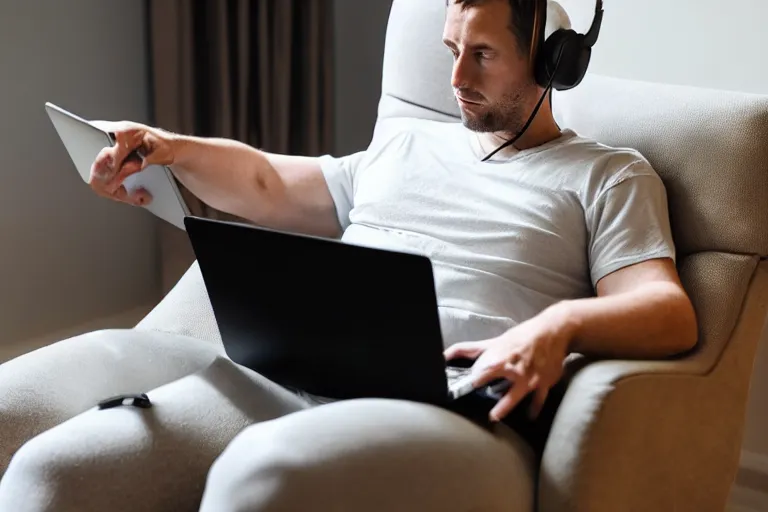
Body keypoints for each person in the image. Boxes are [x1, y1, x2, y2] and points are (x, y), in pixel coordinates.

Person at [0, 0, 697, 510]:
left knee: (259, 481)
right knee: (52, 472)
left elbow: (666, 311)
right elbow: (268, 183)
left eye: (482, 54)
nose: (455, 76)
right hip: (292, 374)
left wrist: (557, 327)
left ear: (552, 62)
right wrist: (167, 148)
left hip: (445, 410)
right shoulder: (408, 144)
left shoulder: (606, 175)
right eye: (451, 47)